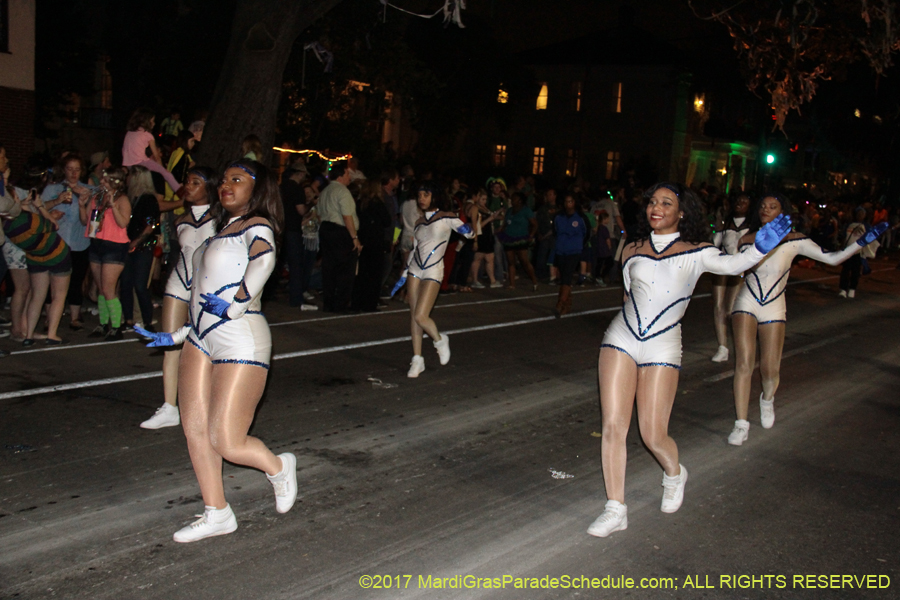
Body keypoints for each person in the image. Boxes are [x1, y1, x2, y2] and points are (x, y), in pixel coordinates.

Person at [587, 182, 792, 538]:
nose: (656, 207)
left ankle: (674, 473)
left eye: (666, 203)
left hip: (663, 346)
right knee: (613, 426)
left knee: (652, 434)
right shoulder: (632, 248)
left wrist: (759, 247)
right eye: (652, 201)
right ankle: (615, 508)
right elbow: (626, 295)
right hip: (620, 338)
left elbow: (736, 264)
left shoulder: (698, 252)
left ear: (682, 213)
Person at [136, 159, 295, 543]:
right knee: (194, 431)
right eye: (224, 180)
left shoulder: (256, 225)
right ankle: (217, 512)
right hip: (200, 338)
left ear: (257, 189)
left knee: (226, 438)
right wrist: (174, 337)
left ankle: (278, 467)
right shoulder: (215, 233)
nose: (227, 185)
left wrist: (239, 301)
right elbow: (201, 298)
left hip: (241, 336)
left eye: (237, 179)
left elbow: (265, 259)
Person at [726, 194, 887, 446]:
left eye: (773, 207)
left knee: (770, 369)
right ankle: (741, 423)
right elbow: (732, 269)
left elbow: (833, 258)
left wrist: (861, 242)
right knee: (744, 364)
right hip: (746, 301)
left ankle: (767, 399)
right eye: (763, 206)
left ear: (783, 212)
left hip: (775, 307)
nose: (766, 210)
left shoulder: (796, 239)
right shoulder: (746, 238)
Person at [141, 167, 219, 430]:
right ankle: (169, 407)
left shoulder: (221, 220)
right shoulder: (180, 220)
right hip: (178, 282)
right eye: (187, 181)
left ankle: (208, 404)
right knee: (171, 343)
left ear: (209, 188)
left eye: (196, 182)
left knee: (206, 345)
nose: (188, 186)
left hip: (206, 287)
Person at [393, 181, 473, 378]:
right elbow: (415, 250)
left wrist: (466, 229)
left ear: (434, 197)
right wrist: (403, 275)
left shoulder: (447, 217)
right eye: (419, 195)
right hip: (414, 269)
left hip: (434, 270)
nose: (421, 199)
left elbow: (470, 233)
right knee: (413, 315)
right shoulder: (419, 222)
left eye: (425, 195)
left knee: (421, 315)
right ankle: (417, 359)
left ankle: (439, 340)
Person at [0, 156, 72, 346]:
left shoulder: (21, 192)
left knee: (31, 290)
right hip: (19, 244)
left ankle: (26, 330)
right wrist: (43, 211)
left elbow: (31, 211)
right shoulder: (16, 192)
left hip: (25, 242)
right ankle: (18, 330)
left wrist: (52, 203)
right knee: (22, 289)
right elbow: (33, 218)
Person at [41, 155, 94, 330]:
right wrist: (57, 200)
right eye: (70, 169)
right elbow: (38, 207)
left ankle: (74, 316)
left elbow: (89, 220)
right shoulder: (53, 188)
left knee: (76, 280)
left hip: (79, 243)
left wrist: (83, 197)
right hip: (57, 241)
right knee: (52, 281)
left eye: (77, 169)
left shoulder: (87, 189)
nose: (73, 173)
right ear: (64, 170)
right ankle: (50, 317)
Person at [79, 167, 131, 340]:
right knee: (101, 288)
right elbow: (85, 220)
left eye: (105, 179)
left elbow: (123, 223)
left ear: (115, 182)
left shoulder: (122, 199)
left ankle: (116, 327)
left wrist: (113, 206)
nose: (101, 182)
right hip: (96, 243)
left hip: (115, 246)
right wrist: (82, 204)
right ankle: (103, 324)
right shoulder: (97, 198)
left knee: (109, 288)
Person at [709, 192, 751, 362]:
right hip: (722, 266)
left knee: (730, 308)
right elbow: (714, 245)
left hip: (740, 268)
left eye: (745, 201)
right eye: (738, 200)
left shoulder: (752, 225)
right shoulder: (726, 223)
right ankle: (722, 347)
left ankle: (740, 342)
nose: (740, 203)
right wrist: (718, 229)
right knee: (718, 305)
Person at [120, 166, 161, 331]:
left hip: (144, 246)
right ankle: (128, 319)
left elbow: (151, 224)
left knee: (140, 284)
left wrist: (136, 242)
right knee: (125, 283)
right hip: (129, 244)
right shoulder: (130, 199)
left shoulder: (148, 199)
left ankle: (148, 321)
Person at [318, 162, 361, 312]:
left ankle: (329, 302)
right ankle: (342, 304)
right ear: (341, 175)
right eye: (348, 174)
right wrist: (354, 238)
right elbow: (347, 216)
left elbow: (319, 214)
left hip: (326, 229)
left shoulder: (325, 191)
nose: (350, 177)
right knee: (345, 269)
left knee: (329, 268)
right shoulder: (342, 192)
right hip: (341, 232)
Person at [280, 160, 317, 311]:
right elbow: (301, 210)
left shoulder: (281, 187)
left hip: (281, 228)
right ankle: (296, 298)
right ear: (300, 174)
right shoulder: (296, 189)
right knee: (296, 265)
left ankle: (267, 293)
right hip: (293, 229)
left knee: (278, 262)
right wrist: (311, 205)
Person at [122, 107, 184, 195]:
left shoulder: (129, 133)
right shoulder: (148, 135)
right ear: (147, 121)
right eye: (153, 121)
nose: (154, 123)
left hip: (128, 164)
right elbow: (157, 156)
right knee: (167, 175)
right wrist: (163, 171)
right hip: (141, 163)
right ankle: (180, 192)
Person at [352, 180, 392, 311]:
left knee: (362, 273)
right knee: (374, 274)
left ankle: (358, 302)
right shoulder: (377, 203)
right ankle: (370, 303)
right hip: (375, 242)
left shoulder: (360, 203)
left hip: (363, 241)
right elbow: (387, 221)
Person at [553, 193, 587, 316]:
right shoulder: (558, 217)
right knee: (564, 277)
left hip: (574, 251)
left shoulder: (580, 217)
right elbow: (555, 231)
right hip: (561, 250)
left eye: (570, 201)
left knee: (567, 275)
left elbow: (586, 233)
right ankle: (568, 303)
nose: (568, 204)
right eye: (566, 202)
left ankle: (560, 302)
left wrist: (578, 244)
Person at [498, 191, 539, 290]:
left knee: (524, 261)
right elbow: (505, 224)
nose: (512, 200)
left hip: (521, 238)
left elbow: (534, 224)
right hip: (509, 237)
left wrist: (531, 235)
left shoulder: (526, 210)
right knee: (510, 261)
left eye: (514, 198)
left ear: (520, 200)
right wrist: (501, 231)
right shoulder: (509, 210)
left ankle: (534, 281)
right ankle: (512, 284)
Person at [466, 188, 501, 289]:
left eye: (485, 199)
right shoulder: (476, 209)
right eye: (482, 199)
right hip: (481, 235)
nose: (484, 201)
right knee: (478, 258)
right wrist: (490, 219)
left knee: (490, 258)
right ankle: (475, 280)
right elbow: (477, 225)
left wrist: (497, 213)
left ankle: (493, 280)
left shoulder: (485, 208)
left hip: (488, 235)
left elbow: (492, 217)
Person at [839, 208, 870, 299]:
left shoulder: (866, 226)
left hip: (858, 252)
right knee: (845, 270)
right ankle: (843, 289)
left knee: (855, 271)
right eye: (859, 214)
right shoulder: (849, 225)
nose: (860, 216)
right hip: (848, 251)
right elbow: (844, 237)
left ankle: (852, 289)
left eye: (862, 214)